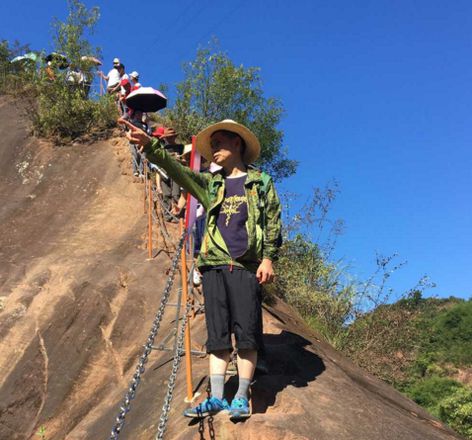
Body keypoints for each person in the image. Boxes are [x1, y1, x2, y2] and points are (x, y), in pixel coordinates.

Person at [120, 118, 282, 420]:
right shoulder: (212, 183)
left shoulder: (260, 183)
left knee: (246, 334)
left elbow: (272, 221)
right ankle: (218, 397)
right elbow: (179, 172)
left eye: (220, 142)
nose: (215, 148)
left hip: (245, 267)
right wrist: (152, 147)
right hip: (213, 266)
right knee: (217, 335)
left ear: (237, 144)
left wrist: (268, 259)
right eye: (214, 143)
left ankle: (241, 396)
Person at [160, 128, 184, 222]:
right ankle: (167, 215)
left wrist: (179, 159)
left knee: (176, 194)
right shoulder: (162, 149)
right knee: (166, 194)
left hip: (177, 173)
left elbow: (185, 161)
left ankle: (177, 215)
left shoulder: (181, 148)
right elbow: (160, 163)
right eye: (168, 138)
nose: (169, 139)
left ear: (174, 137)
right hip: (165, 173)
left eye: (171, 137)